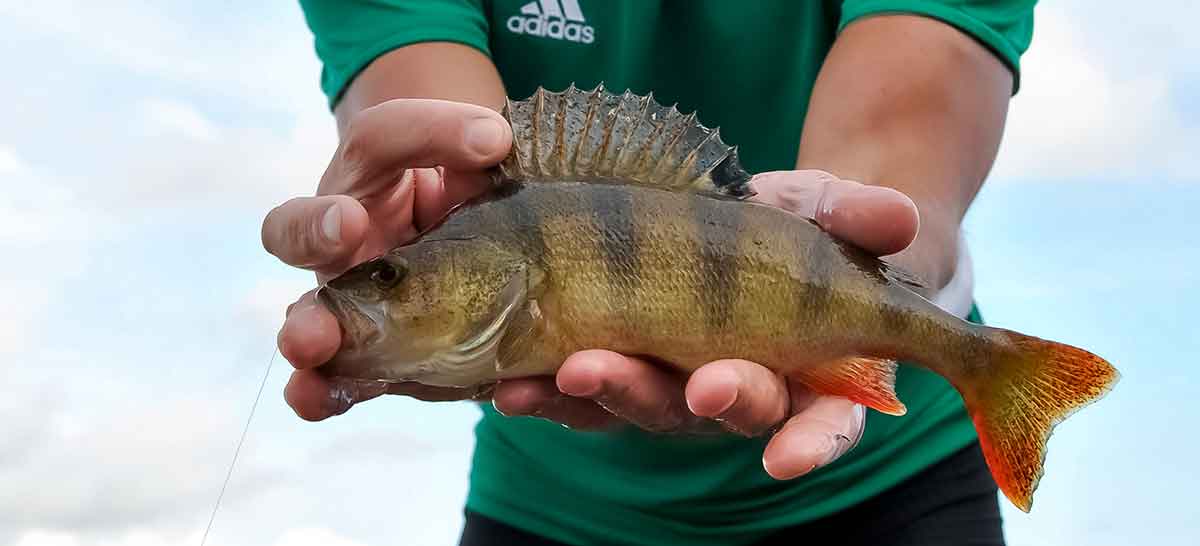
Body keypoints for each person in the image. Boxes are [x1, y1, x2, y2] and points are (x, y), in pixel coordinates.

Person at [261, 1, 1032, 544]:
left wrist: (878, 248)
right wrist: (401, 206)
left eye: (392, 277)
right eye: (397, 276)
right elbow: (437, 141)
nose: (383, 286)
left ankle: (993, 370)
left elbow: (903, 136)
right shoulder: (486, 245)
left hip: (892, 487)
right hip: (553, 509)